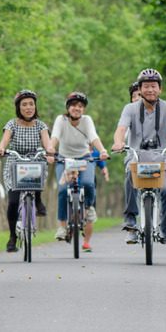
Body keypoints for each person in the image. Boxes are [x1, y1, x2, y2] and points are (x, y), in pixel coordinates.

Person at [112, 69, 166, 246]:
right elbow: (121, 130)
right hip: (136, 155)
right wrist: (118, 143)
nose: (150, 90)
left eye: (154, 86)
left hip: (161, 157)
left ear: (160, 88)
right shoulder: (129, 109)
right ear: (140, 88)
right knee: (130, 171)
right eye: (146, 86)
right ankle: (131, 217)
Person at [46, 92, 109, 252]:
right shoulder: (61, 120)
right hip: (65, 159)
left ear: (84, 109)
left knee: (88, 183)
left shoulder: (87, 120)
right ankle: (61, 226)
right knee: (61, 190)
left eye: (81, 106)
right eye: (74, 105)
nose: (77, 108)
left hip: (84, 158)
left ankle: (88, 207)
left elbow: (94, 137)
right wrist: (51, 149)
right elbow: (55, 136)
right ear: (68, 107)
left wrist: (102, 150)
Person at [0, 89, 51, 252]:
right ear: (18, 107)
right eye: (24, 104)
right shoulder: (12, 124)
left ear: (35, 107)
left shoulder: (41, 125)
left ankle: (38, 199)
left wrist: (50, 151)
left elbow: (47, 143)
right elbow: (4, 142)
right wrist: (1, 149)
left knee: (40, 166)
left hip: (35, 160)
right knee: (13, 201)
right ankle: (12, 236)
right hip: (15, 160)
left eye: (31, 104)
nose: (28, 108)